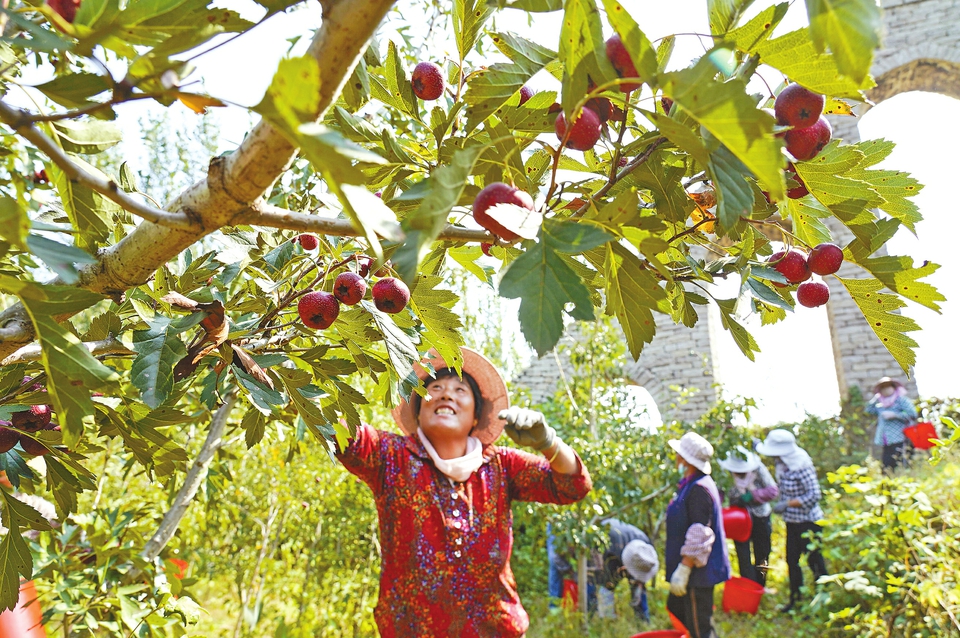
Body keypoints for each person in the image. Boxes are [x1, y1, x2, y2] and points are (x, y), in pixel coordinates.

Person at [336, 348, 592, 637]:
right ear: (418, 410)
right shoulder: (390, 456)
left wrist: (550, 443)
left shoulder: (501, 464)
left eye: (460, 390)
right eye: (435, 388)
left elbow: (573, 486)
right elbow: (342, 431)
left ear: (475, 417)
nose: (447, 394)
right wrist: (288, 377)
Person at [665, 432, 731, 638]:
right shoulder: (692, 483)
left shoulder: (699, 489)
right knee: (683, 611)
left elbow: (700, 532)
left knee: (700, 628)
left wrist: (685, 568)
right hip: (694, 570)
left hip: (697, 572)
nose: (676, 459)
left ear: (685, 460)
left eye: (678, 455)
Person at [756, 429, 828, 613]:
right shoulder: (783, 464)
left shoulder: (801, 465)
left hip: (808, 522)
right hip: (792, 522)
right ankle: (795, 601)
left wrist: (788, 503)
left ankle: (823, 601)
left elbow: (814, 495)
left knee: (815, 561)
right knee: (792, 561)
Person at [718, 446, 779, 586]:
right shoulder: (726, 472)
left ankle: (760, 585)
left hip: (760, 516)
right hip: (738, 518)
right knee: (743, 554)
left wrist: (753, 495)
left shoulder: (758, 468)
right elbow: (720, 492)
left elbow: (772, 490)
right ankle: (748, 587)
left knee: (762, 552)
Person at [595, 518, 658, 621]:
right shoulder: (612, 543)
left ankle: (643, 620)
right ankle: (607, 618)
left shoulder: (645, 548)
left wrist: (638, 582)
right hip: (613, 547)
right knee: (608, 583)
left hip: (631, 551)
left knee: (638, 588)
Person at [864, 377, 918, 470]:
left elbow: (913, 414)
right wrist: (876, 398)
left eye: (888, 386)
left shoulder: (901, 400)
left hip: (900, 437)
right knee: (887, 465)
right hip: (886, 439)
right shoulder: (880, 404)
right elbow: (868, 410)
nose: (886, 389)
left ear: (893, 387)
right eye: (883, 388)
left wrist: (895, 415)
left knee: (902, 462)